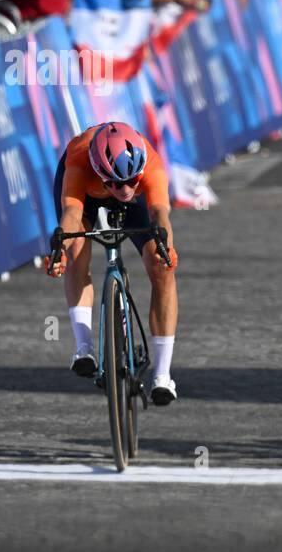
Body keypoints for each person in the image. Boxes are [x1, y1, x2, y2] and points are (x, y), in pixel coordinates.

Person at [44, 122, 180, 405]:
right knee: (76, 250)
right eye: (117, 183)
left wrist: (166, 247)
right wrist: (60, 248)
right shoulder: (80, 162)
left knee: (162, 267)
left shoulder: (149, 166)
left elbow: (159, 213)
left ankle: (163, 375)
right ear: (100, 172)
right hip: (87, 196)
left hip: (138, 201)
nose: (125, 189)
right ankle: (84, 348)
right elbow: (71, 214)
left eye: (132, 181)